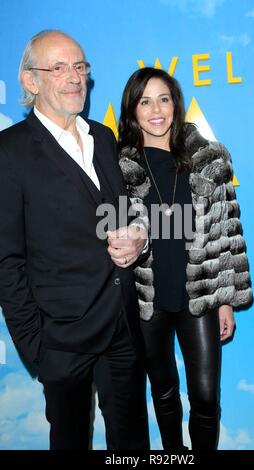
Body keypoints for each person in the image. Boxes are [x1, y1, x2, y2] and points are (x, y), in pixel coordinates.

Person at [0, 30, 150, 450]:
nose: (75, 77)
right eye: (60, 67)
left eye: (80, 66)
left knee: (132, 446)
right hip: (62, 341)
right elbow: (6, 260)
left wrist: (138, 236)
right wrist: (38, 348)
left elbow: (120, 215)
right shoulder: (8, 152)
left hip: (122, 327)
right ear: (31, 81)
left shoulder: (103, 137)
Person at [118, 67, 253, 450]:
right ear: (132, 111)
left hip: (201, 294)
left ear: (175, 105)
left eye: (163, 99)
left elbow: (229, 233)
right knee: (163, 392)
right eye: (145, 101)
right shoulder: (118, 168)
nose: (155, 110)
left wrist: (225, 299)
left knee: (206, 398)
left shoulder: (210, 159)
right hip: (148, 298)